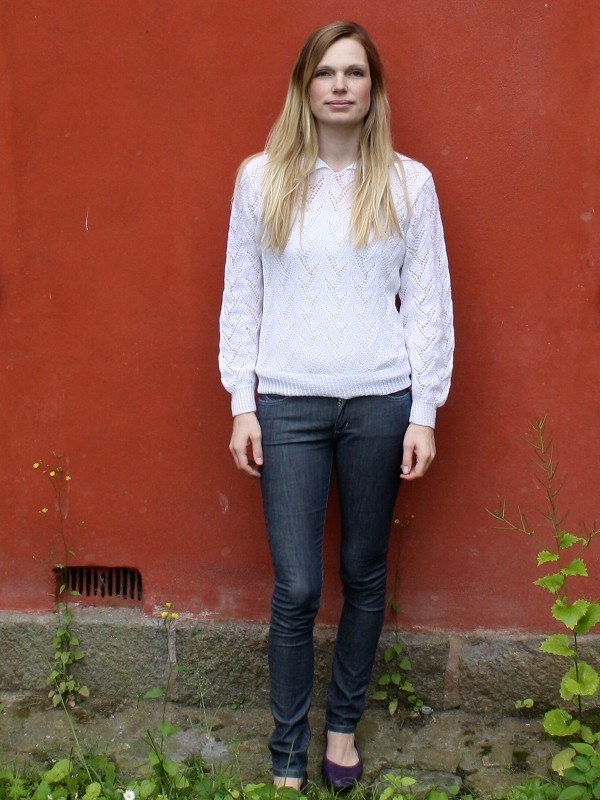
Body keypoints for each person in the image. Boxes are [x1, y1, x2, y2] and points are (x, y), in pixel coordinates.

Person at [219, 20, 454, 791]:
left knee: (362, 570)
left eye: (355, 72)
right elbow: (242, 296)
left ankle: (343, 729)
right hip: (287, 405)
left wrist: (423, 411)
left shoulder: (408, 184)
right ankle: (288, 745)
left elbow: (428, 305)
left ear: (373, 89)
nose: (341, 86)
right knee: (296, 587)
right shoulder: (261, 179)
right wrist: (242, 401)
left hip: (380, 402)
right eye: (326, 73)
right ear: (304, 87)